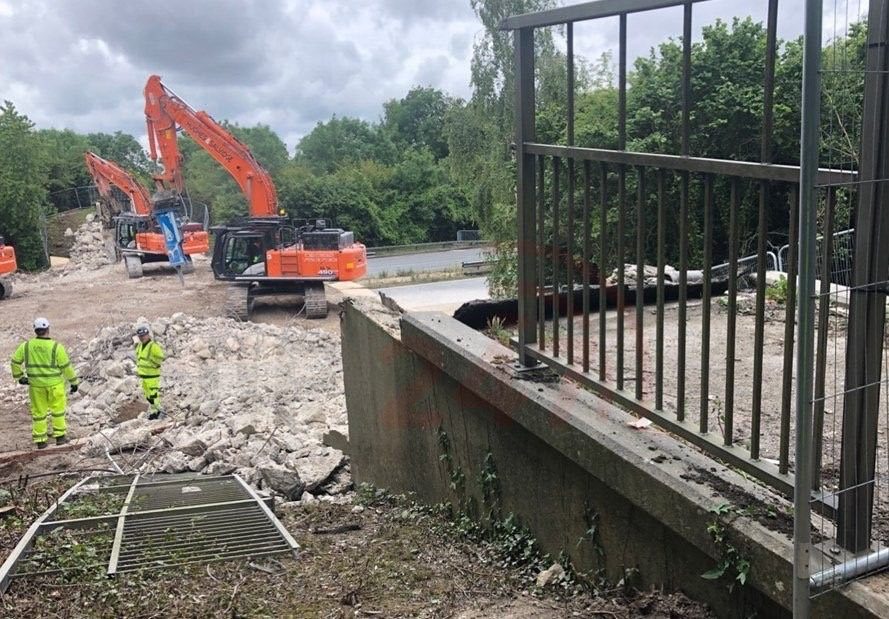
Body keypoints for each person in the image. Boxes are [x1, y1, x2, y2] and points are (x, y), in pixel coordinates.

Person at [10, 317, 79, 449]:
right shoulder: (56, 347)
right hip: (55, 385)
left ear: (35, 330)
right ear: (48, 329)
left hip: (36, 386)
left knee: (39, 413)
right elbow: (66, 367)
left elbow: (15, 361)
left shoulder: (26, 346)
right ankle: (60, 437)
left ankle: (41, 440)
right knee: (58, 411)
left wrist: (20, 377)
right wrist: (74, 382)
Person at [135, 325, 165, 419]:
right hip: (144, 376)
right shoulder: (139, 346)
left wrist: (154, 363)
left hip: (152, 376)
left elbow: (161, 357)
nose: (142, 338)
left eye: (144, 336)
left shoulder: (153, 346)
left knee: (153, 395)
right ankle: (154, 412)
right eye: (140, 336)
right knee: (148, 396)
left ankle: (160, 411)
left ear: (148, 335)